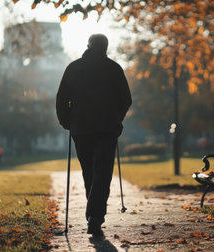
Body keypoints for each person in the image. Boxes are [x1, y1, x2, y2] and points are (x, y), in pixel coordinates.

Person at [56, 34, 132, 236]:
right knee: (102, 173)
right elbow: (126, 99)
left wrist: (67, 122)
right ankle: (95, 217)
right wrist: (117, 118)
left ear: (88, 46)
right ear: (106, 47)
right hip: (107, 128)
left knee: (89, 171)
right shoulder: (113, 68)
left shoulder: (74, 68)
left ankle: (94, 216)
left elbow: (61, 98)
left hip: (81, 129)